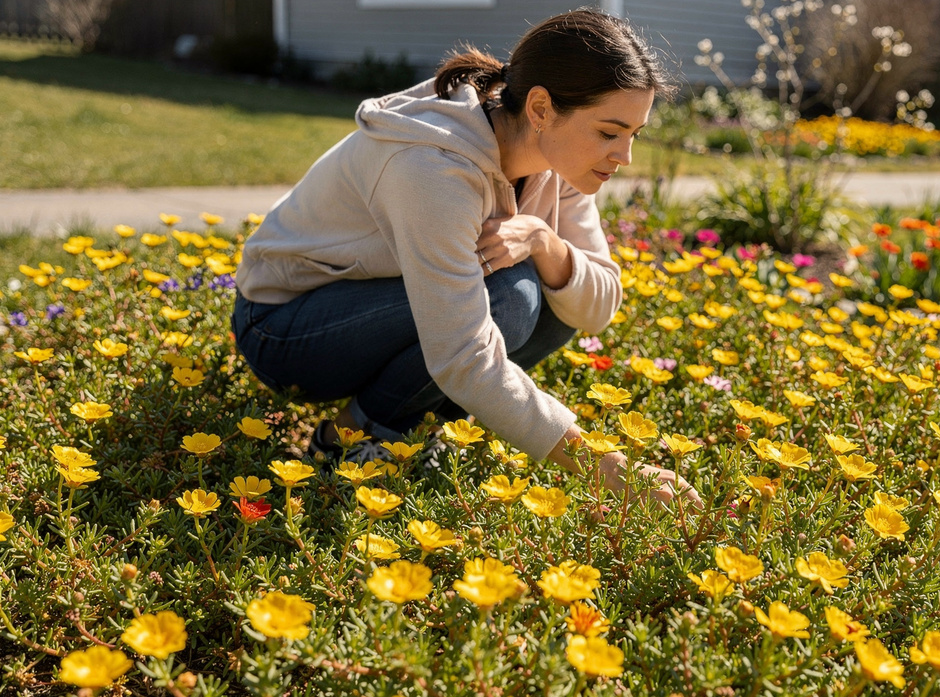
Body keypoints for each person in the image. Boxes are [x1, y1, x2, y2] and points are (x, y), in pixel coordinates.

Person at [231, 9, 700, 507]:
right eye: (609, 132)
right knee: (513, 296)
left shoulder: (563, 163)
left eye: (634, 134)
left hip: (379, 317)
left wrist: (546, 241)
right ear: (540, 109)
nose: (624, 156)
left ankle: (420, 424)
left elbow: (597, 308)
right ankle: (353, 436)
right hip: (284, 328)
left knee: (557, 287)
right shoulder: (433, 168)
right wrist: (605, 467)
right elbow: (462, 356)